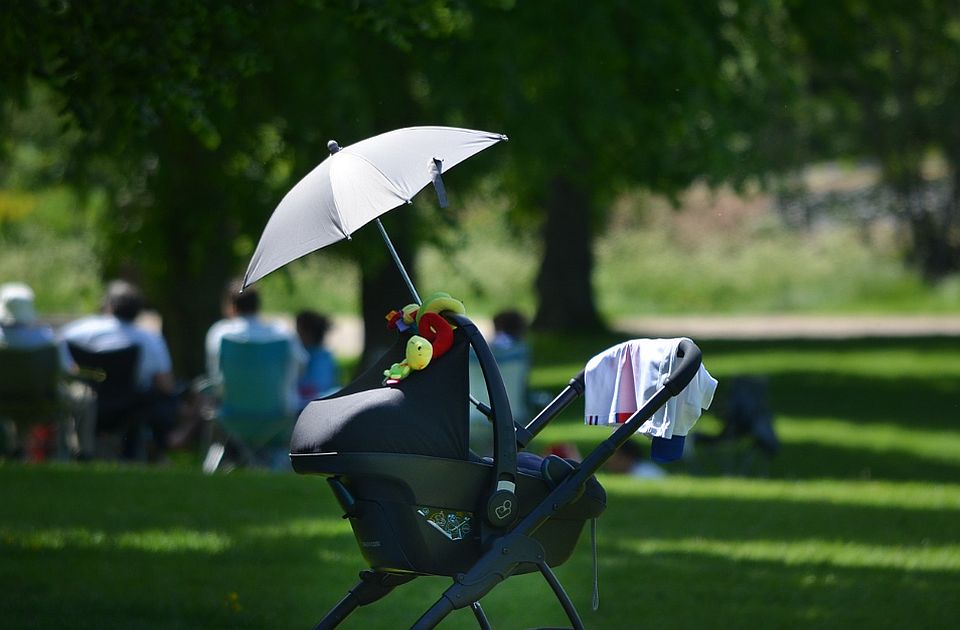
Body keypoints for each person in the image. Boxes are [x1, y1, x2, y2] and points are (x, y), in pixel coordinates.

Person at [60, 279, 176, 460]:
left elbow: (61, 367)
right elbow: (165, 386)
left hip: (84, 404)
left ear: (108, 305)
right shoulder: (150, 340)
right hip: (127, 408)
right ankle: (152, 453)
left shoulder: (75, 332)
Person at [205, 279, 307, 416]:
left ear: (231, 307)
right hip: (278, 414)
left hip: (233, 415)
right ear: (257, 305)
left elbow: (215, 376)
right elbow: (301, 364)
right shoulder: (283, 334)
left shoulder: (220, 334)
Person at [295, 310, 339, 408]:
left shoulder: (305, 358)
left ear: (307, 334)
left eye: (298, 332)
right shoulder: (327, 356)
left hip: (311, 407)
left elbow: (313, 389)